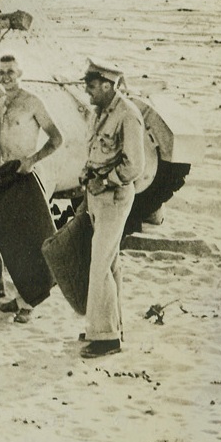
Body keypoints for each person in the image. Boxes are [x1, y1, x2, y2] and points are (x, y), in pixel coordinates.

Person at [79, 59, 145, 359]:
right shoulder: (101, 112)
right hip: (97, 194)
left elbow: (135, 165)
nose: (88, 93)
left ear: (107, 85)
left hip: (114, 196)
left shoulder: (127, 116)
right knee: (110, 262)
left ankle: (106, 339)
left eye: (91, 87)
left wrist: (104, 181)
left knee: (100, 263)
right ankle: (110, 325)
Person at [0, 53, 64, 323]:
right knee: (10, 240)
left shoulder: (32, 102)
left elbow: (57, 138)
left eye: (10, 71)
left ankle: (29, 305)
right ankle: (20, 296)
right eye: (1, 72)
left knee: (30, 243)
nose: (6, 77)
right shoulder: (2, 101)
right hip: (6, 175)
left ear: (20, 72)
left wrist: (31, 161)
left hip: (27, 176)